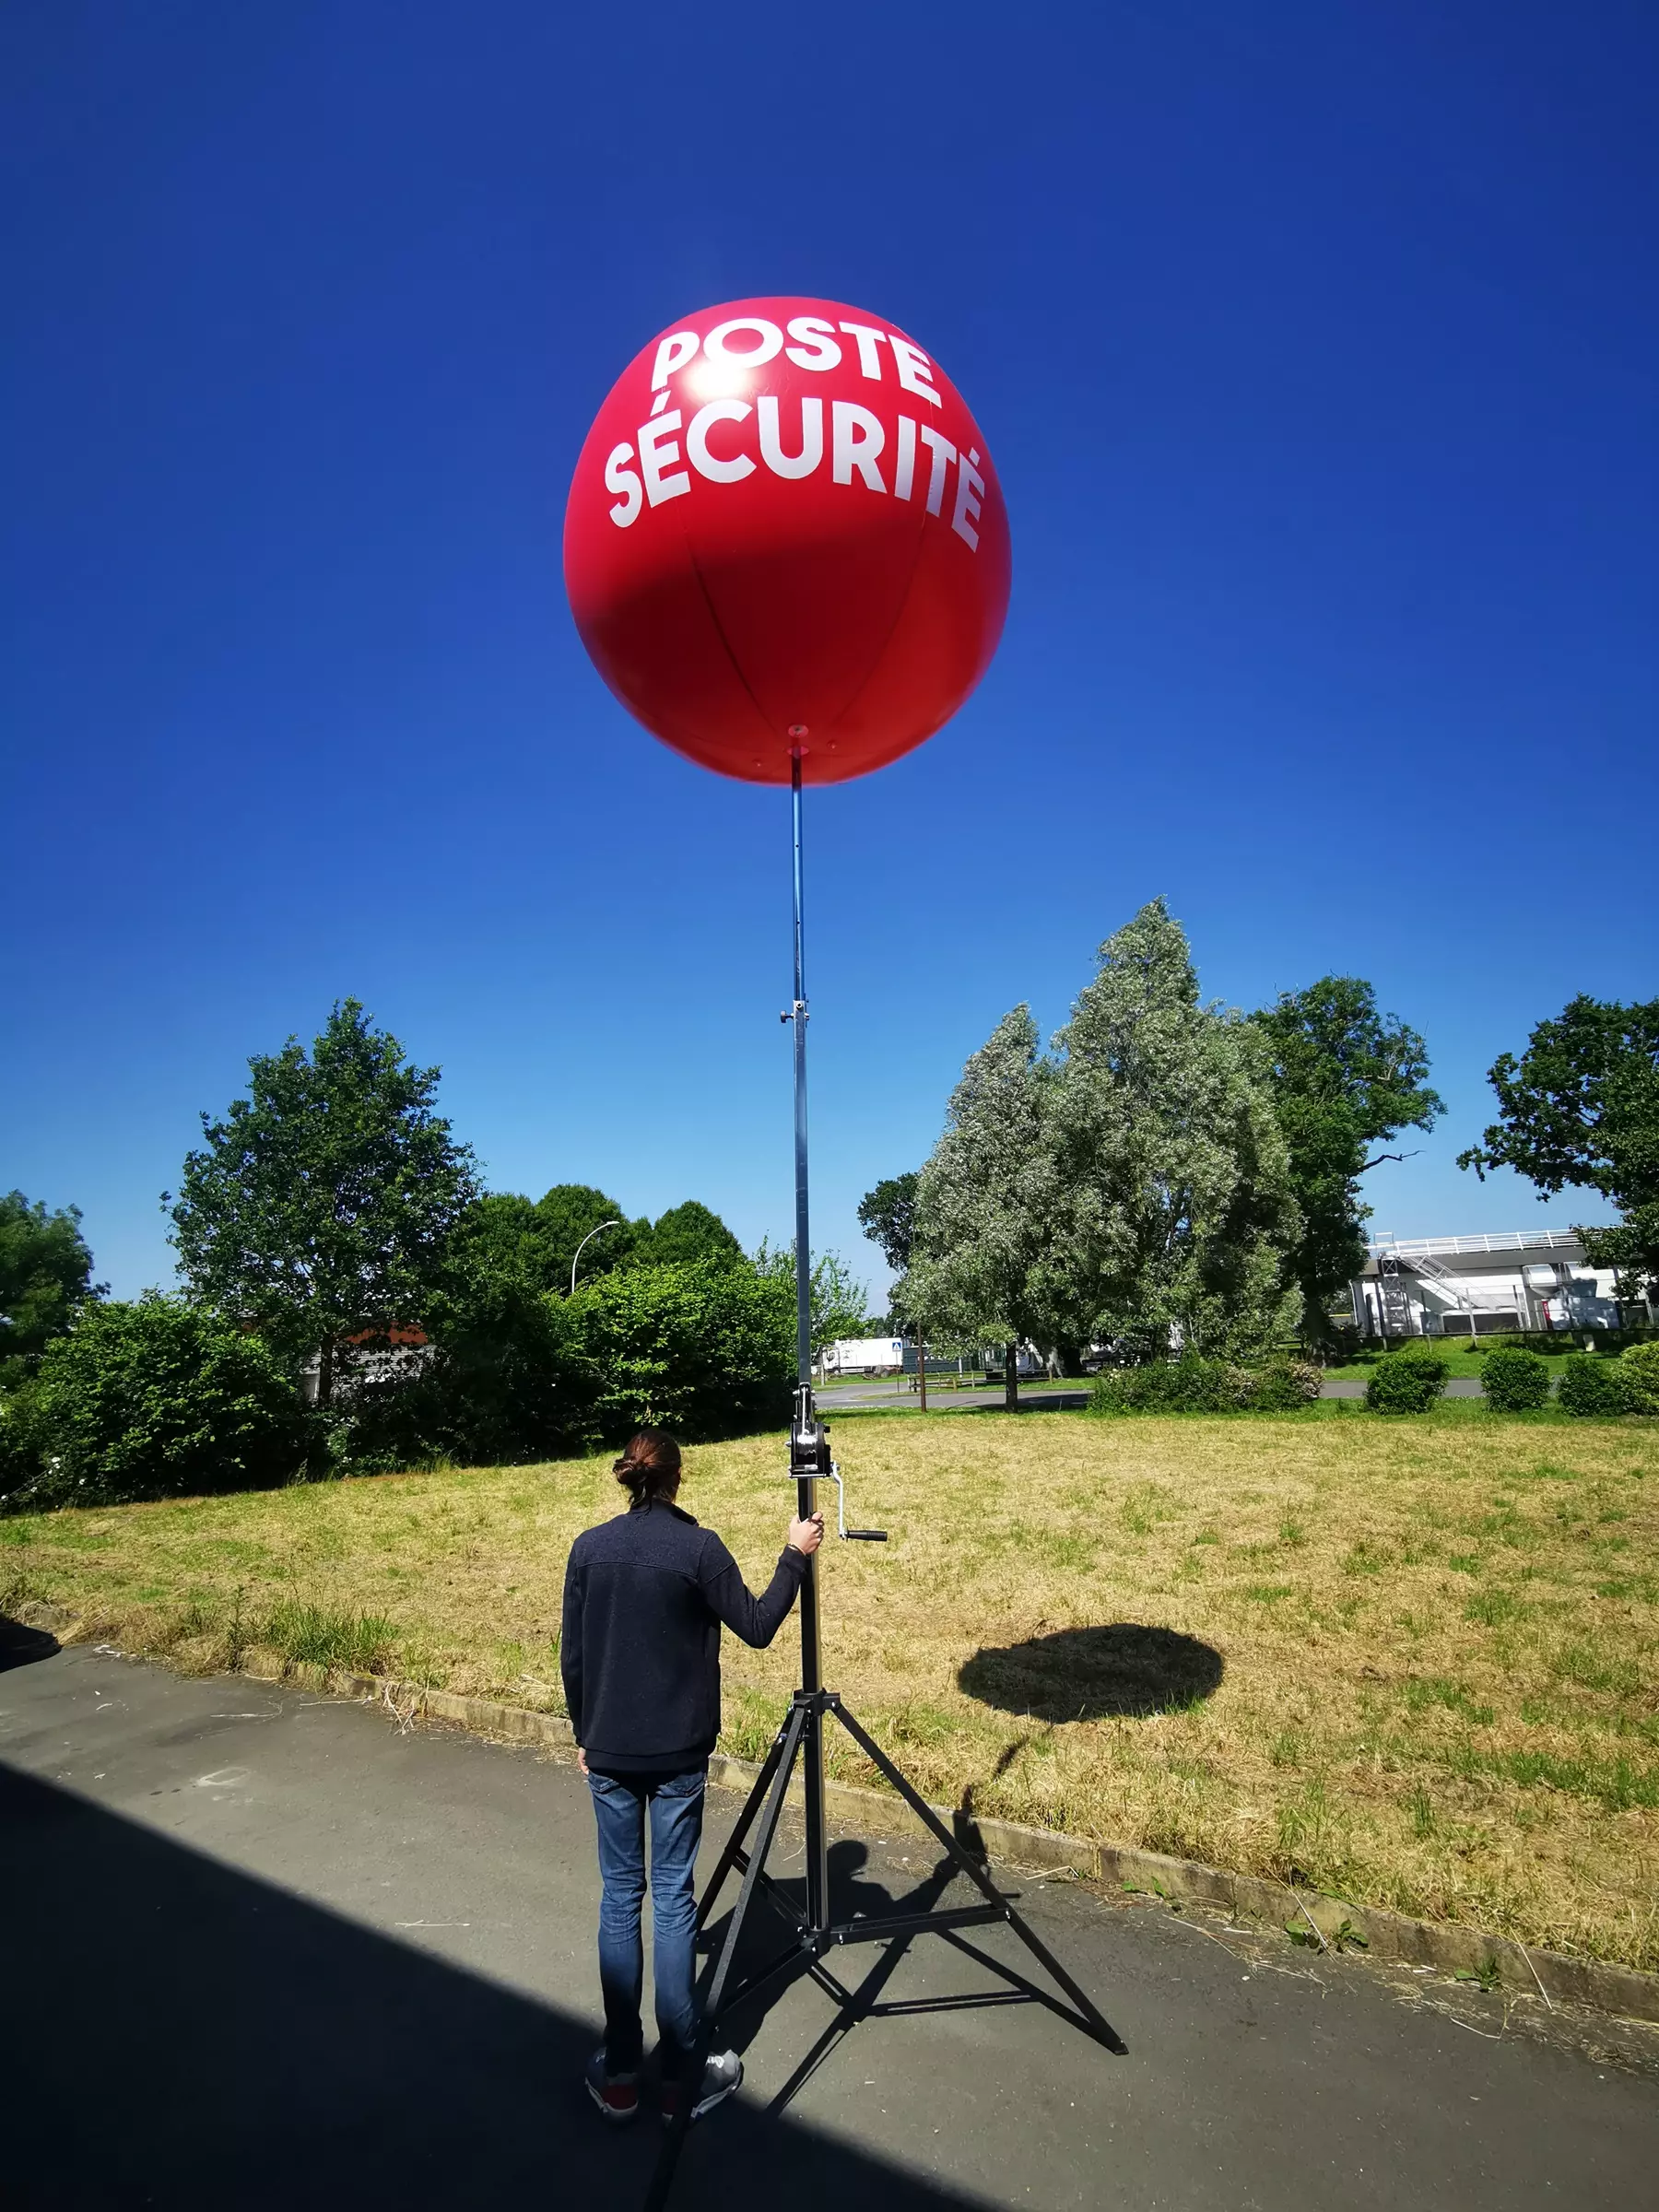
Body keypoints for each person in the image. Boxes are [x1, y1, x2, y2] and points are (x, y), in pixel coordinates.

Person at [560, 1427, 824, 2126]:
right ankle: (681, 2068)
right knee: (672, 1899)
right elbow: (760, 1625)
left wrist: (583, 1731)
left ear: (630, 1478)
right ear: (678, 1478)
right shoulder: (696, 1549)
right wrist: (794, 1556)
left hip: (608, 1752)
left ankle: (621, 2071)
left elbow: (574, 1656)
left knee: (621, 1898)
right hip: (677, 1756)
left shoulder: (589, 1549)